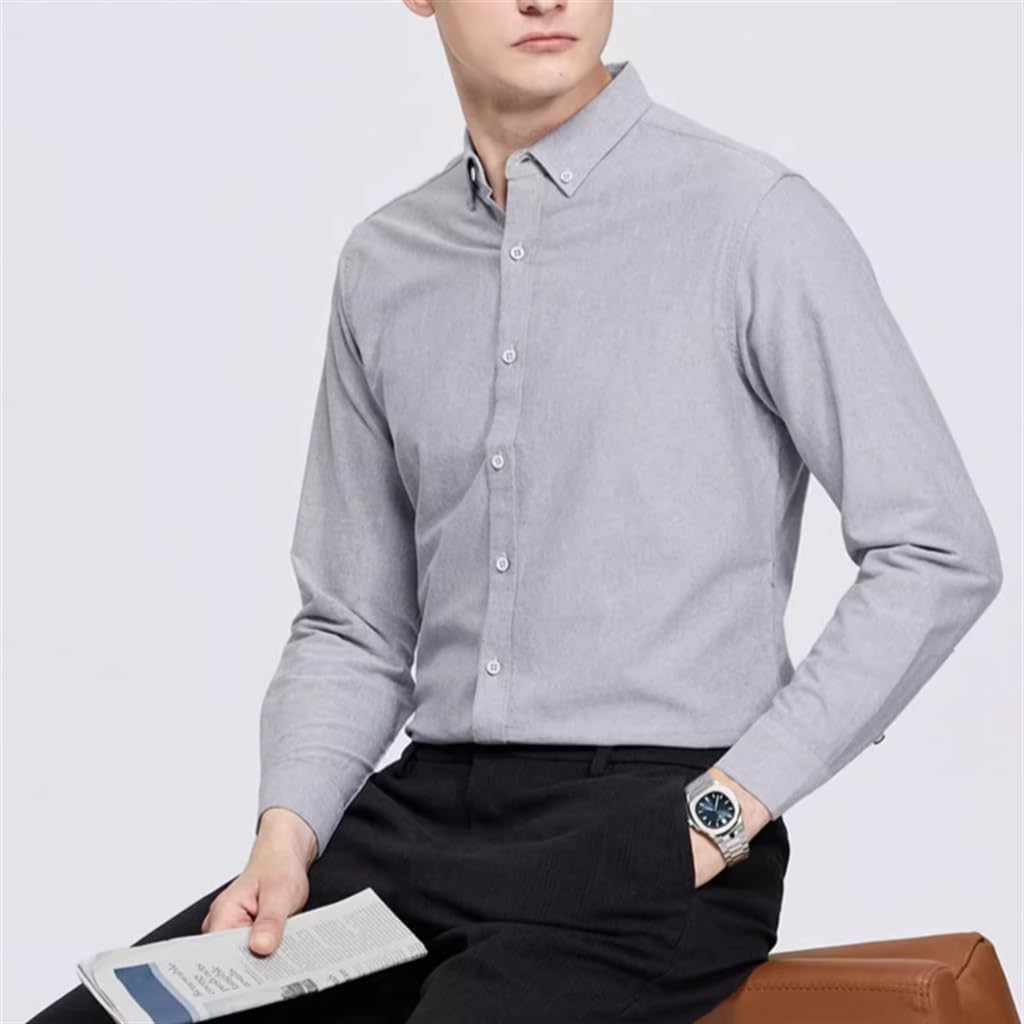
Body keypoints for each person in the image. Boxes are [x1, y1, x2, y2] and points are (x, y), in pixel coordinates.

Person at [27, 1, 1004, 1022]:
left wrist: (728, 809)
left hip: (644, 830)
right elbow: (355, 624)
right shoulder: (385, 263)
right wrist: (287, 834)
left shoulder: (752, 219)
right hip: (415, 824)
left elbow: (936, 549)